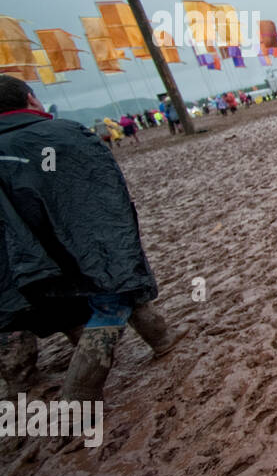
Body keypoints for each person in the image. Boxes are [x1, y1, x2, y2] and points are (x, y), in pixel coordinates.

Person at [0, 76, 188, 403]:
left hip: (18, 265)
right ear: (31, 99)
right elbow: (102, 200)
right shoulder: (63, 135)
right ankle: (78, 395)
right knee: (114, 290)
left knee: (40, 307)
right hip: (76, 244)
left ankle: (22, 387)